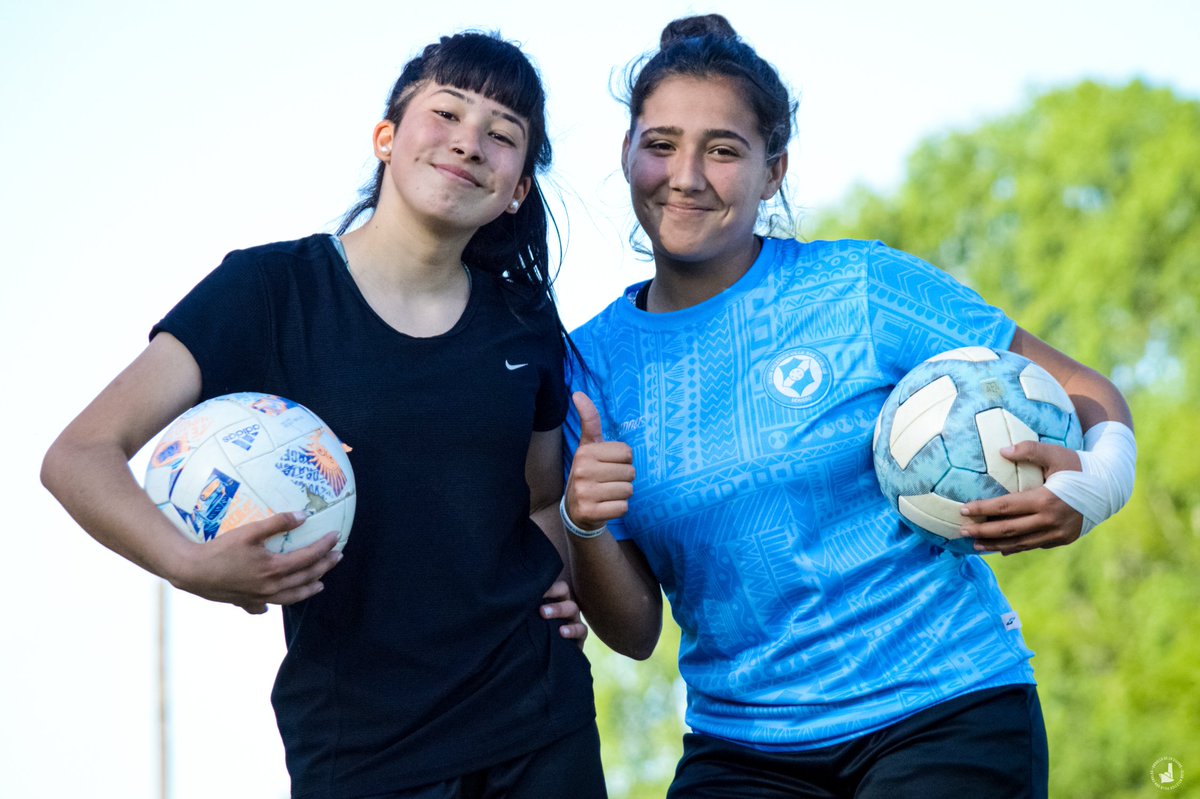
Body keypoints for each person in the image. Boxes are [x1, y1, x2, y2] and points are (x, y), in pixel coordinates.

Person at [560, 14, 1136, 799]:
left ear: (773, 171)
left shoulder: (861, 288)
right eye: (660, 144)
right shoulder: (588, 365)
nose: (686, 174)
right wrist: (583, 522)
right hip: (742, 745)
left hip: (947, 708)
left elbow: (1085, 388)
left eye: (723, 149)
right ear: (628, 152)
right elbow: (633, 632)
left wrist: (1096, 483)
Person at [41, 31, 605, 799]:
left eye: (502, 136)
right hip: (363, 749)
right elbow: (79, 453)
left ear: (516, 191)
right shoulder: (266, 291)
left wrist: (564, 582)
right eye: (446, 113)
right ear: (386, 138)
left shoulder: (524, 322)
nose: (470, 142)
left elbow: (537, 495)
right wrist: (188, 563)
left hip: (539, 724)